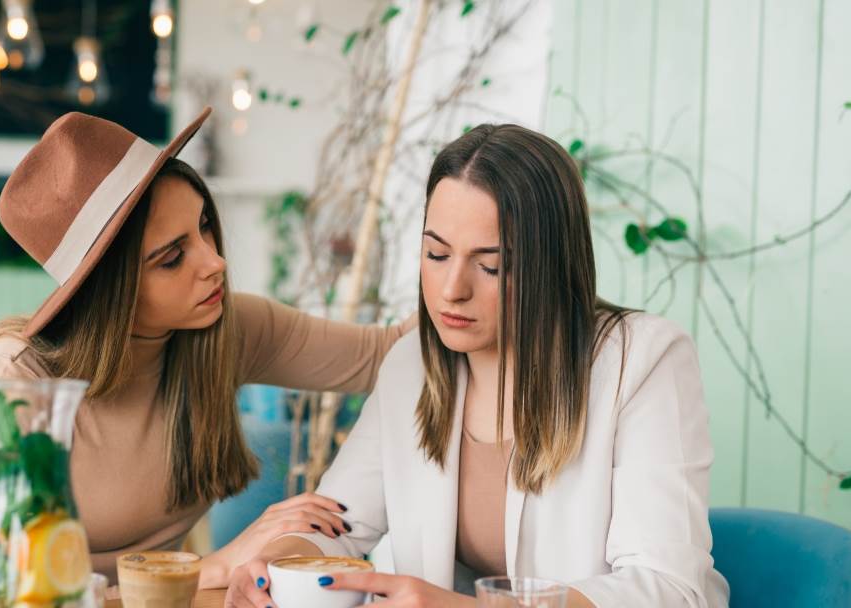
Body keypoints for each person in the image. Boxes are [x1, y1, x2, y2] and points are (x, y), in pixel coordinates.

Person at [0, 108, 412, 607]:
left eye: (204, 227)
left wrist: (454, 267)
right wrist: (214, 565)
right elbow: (24, 589)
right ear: (109, 287)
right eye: (172, 258)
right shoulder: (20, 374)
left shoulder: (228, 329)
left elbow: (389, 352)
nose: (215, 262)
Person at [227, 123, 729, 607]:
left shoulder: (642, 361)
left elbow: (669, 590)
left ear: (551, 266)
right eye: (436, 254)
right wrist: (277, 563)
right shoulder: (411, 367)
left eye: (491, 266)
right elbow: (337, 525)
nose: (452, 290)